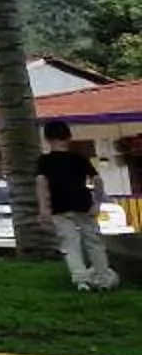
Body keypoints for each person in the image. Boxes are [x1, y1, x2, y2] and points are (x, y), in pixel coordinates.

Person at [37, 121, 120, 292]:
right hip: (84, 205)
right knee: (94, 243)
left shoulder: (44, 161)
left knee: (70, 244)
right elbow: (97, 181)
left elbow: (41, 185)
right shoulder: (79, 158)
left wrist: (44, 209)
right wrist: (97, 202)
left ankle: (81, 281)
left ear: (47, 139)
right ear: (69, 137)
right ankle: (103, 278)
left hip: (60, 208)